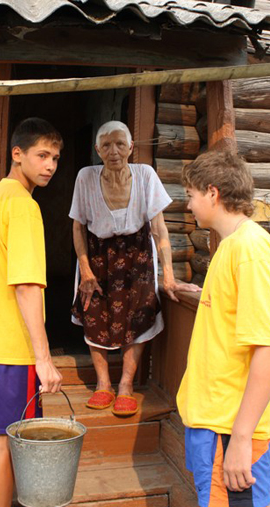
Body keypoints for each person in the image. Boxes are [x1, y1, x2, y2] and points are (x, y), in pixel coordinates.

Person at [177, 150, 270, 507]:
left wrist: (240, 439)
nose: (188, 203)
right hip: (214, 419)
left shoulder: (250, 250)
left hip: (231, 424)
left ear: (212, 193)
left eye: (191, 194)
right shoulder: (230, 246)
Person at [0, 117, 64, 507]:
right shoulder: (23, 207)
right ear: (17, 154)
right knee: (7, 440)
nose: (50, 165)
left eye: (55, 157)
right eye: (42, 155)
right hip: (10, 347)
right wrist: (43, 357)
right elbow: (25, 287)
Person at [69, 120, 198, 417]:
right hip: (97, 254)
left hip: (138, 253)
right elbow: (78, 227)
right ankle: (103, 384)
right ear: (97, 149)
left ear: (131, 147)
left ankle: (125, 386)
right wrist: (85, 270)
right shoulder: (85, 177)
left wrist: (167, 274)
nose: (113, 151)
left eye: (120, 144)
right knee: (94, 313)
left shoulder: (145, 175)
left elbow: (159, 229)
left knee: (138, 315)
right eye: (106, 145)